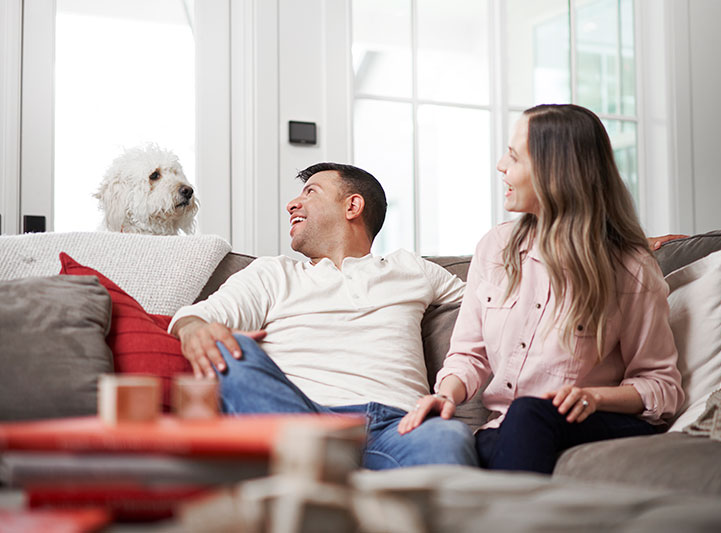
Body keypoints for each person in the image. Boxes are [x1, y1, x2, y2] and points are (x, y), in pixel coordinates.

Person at [398, 104, 684, 474]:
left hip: (591, 422)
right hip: (509, 426)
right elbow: (469, 355)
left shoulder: (630, 269)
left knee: (528, 413)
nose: (501, 165)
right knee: (464, 443)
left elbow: (661, 386)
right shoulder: (495, 249)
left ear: (556, 172)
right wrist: (445, 395)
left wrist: (594, 397)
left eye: (514, 157)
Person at [169, 162, 478, 470]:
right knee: (230, 349)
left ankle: (323, 478)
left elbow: (490, 304)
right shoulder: (272, 273)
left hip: (402, 427)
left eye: (310, 192)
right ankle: (325, 471)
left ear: (352, 206)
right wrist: (193, 329)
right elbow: (198, 318)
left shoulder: (411, 268)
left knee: (447, 435)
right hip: (303, 421)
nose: (292, 204)